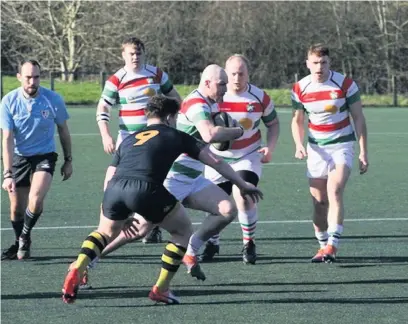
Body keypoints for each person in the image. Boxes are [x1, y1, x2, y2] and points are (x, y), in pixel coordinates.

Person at [62, 95, 263, 305]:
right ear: (169, 117)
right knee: (183, 231)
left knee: (104, 232)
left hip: (114, 189)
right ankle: (161, 289)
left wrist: (119, 210)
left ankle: (78, 265)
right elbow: (215, 161)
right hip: (147, 189)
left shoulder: (130, 138)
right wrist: (241, 183)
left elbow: (110, 174)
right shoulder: (176, 135)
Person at [80, 64, 245, 283]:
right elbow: (208, 134)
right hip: (173, 178)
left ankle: (191, 251)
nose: (226, 87)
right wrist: (237, 131)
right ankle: (89, 261)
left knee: (226, 209)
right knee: (138, 229)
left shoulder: (209, 103)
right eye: (222, 83)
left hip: (193, 178)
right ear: (207, 83)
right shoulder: (197, 103)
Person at [96, 36, 181, 244]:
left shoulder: (156, 74)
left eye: (139, 53)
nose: (135, 57)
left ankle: (152, 224)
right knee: (112, 180)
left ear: (144, 54)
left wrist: (173, 123)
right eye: (131, 53)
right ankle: (111, 224)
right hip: (128, 141)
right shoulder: (116, 79)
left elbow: (176, 99)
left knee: (154, 181)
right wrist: (105, 135)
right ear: (123, 55)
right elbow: (103, 108)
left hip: (156, 141)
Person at [290, 44, 369, 263]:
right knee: (319, 202)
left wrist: (363, 151)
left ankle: (333, 244)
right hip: (316, 149)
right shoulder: (300, 88)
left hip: (342, 145)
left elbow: (359, 118)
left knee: (334, 190)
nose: (319, 67)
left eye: (323, 62)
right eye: (315, 63)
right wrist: (298, 144)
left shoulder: (345, 84)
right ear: (307, 64)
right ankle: (323, 244)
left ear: (329, 63)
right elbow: (297, 120)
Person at [201, 54, 280, 264]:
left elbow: (273, 124)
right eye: (232, 73)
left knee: (243, 194)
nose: (236, 78)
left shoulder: (260, 97)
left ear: (248, 74)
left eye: (241, 73)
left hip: (248, 156)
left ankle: (248, 242)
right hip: (216, 158)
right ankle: (213, 242)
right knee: (215, 203)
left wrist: (269, 148)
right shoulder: (214, 97)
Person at [1, 59, 73, 260]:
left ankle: (24, 236)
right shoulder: (9, 101)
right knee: (17, 208)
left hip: (44, 156)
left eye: (36, 77)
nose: (32, 82)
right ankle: (21, 242)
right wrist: (7, 173)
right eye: (28, 77)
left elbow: (63, 131)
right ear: (19, 77)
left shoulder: (53, 99)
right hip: (19, 157)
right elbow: (7, 139)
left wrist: (68, 160)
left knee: (36, 199)